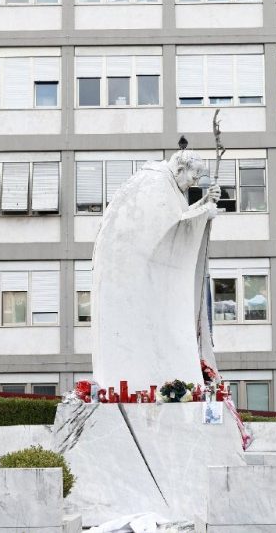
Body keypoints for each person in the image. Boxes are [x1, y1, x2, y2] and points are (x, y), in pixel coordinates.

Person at [91, 146, 221, 392]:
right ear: (180, 169)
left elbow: (178, 218)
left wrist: (205, 202)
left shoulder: (167, 184)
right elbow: (166, 230)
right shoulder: (155, 184)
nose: (194, 183)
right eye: (194, 177)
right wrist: (205, 211)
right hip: (134, 281)